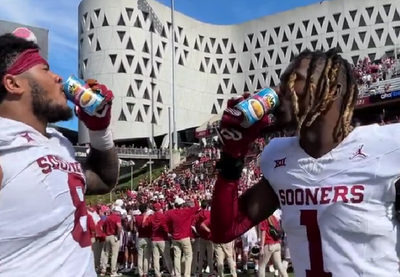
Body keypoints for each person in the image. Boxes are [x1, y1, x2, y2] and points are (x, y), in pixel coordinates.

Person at [211, 48, 400, 276]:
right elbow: (225, 229)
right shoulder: (279, 156)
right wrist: (232, 157)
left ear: (332, 90)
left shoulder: (386, 145)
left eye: (296, 80)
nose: (282, 91)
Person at [0, 32, 119, 277]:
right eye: (45, 69)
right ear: (13, 84)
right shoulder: (4, 142)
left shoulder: (59, 142)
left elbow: (103, 179)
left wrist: (99, 131)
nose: (58, 78)